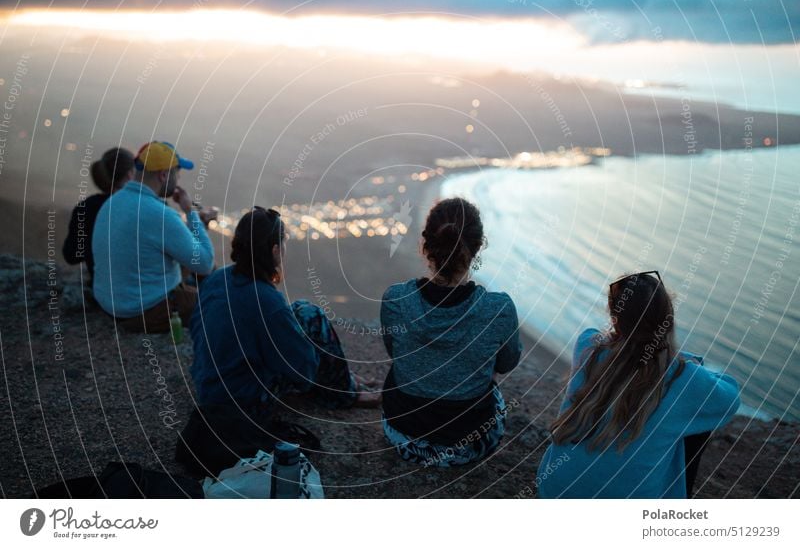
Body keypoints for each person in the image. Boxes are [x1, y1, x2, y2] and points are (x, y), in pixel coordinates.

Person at [536, 271, 741, 498]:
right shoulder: (685, 378)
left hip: (554, 491)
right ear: (668, 318)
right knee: (696, 420)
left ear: (615, 319)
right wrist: (679, 359)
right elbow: (731, 396)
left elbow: (605, 337)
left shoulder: (588, 347)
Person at [190, 206, 380, 419]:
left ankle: (343, 379)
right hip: (242, 402)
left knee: (297, 311)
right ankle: (345, 392)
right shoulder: (267, 301)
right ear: (274, 250)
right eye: (283, 243)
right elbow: (304, 373)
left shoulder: (217, 279)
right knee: (311, 315)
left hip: (208, 387)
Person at [380, 198, 522, 467]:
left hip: (402, 437)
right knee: (492, 391)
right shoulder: (498, 309)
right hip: (467, 448)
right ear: (478, 248)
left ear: (425, 246)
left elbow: (395, 353)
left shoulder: (395, 299)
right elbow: (507, 363)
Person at [92, 141, 216, 333]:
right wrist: (189, 211)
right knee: (219, 303)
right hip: (140, 310)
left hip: (111, 303)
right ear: (164, 175)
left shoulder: (112, 202)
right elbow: (205, 263)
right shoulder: (160, 214)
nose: (179, 178)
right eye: (178, 173)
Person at [62, 147, 135, 283]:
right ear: (130, 174)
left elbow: (71, 256)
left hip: (101, 288)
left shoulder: (85, 208)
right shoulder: (141, 207)